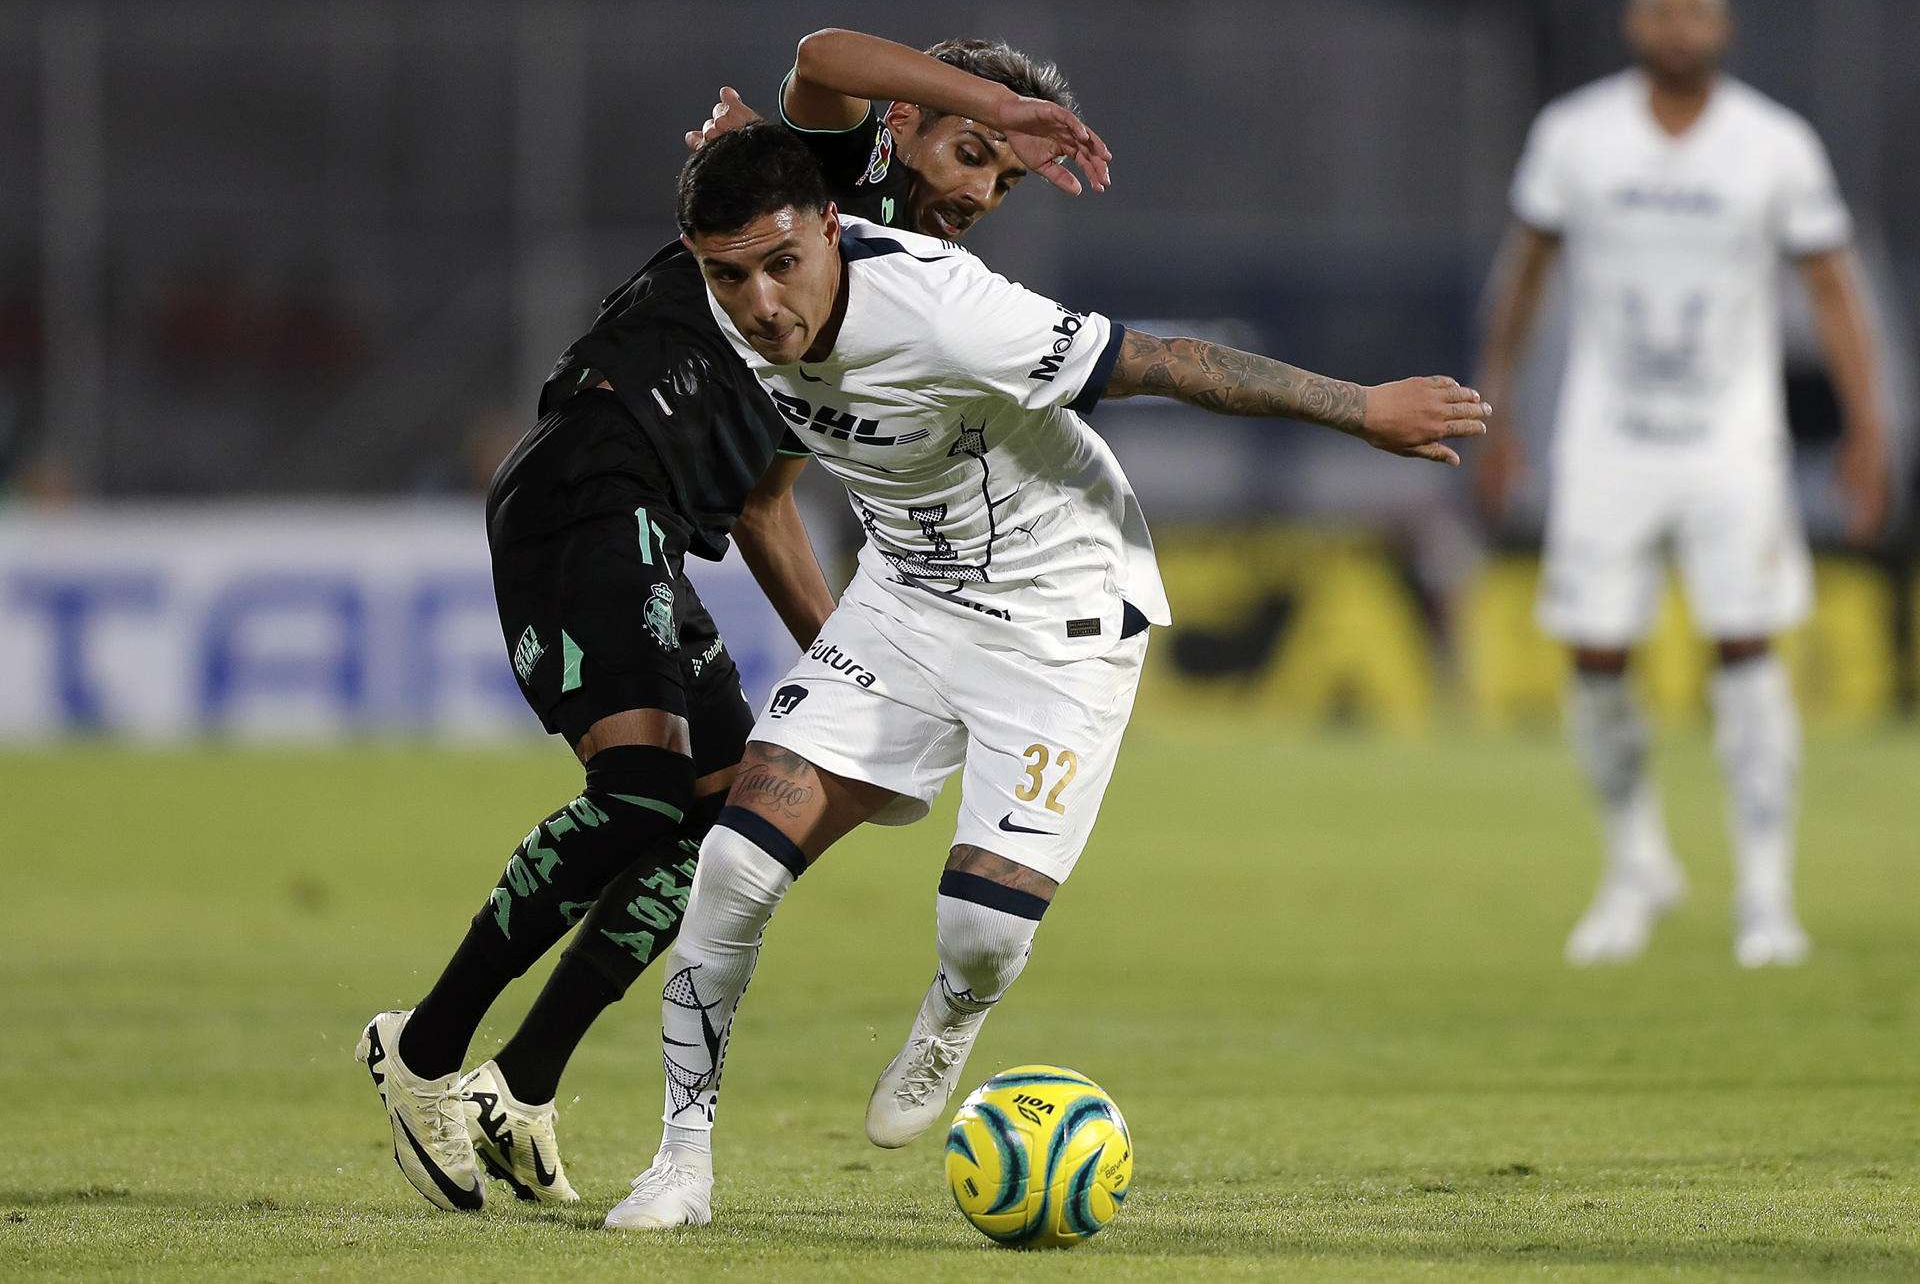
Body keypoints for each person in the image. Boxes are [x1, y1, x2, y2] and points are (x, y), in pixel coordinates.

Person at [604, 122, 1491, 1229]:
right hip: (908, 600)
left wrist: (1362, 409)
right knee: (733, 865)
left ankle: (951, 1018)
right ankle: (681, 1159)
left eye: (783, 264)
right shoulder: (726, 307)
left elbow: (1166, 362)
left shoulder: (949, 313)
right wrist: (751, 128)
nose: (760, 300)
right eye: (729, 275)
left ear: (832, 230)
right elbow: (808, 104)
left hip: (1059, 614)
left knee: (982, 932)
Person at [354, 30, 1108, 1214]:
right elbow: (826, 52)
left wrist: (864, 679)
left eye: (1003, 179)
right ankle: (426, 1050)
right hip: (595, 472)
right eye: (970, 153)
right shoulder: (823, 179)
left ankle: (523, 1083)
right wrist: (997, 101)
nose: (976, 190)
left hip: (671, 521)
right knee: (643, 788)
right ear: (905, 123)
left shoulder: (884, 299)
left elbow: (763, 505)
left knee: (710, 822)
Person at [1473, 0, 1887, 967]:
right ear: (1634, 21)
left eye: (1698, 10)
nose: (1679, 27)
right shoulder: (1576, 135)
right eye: (1661, 8)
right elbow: (1524, 273)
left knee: (1745, 648)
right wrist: (1499, 409)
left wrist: (1871, 430)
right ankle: (1635, 862)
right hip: (1607, 433)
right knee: (1596, 654)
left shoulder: (1774, 145)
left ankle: (1766, 893)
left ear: (1726, 26)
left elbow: (1836, 290)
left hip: (1731, 441)